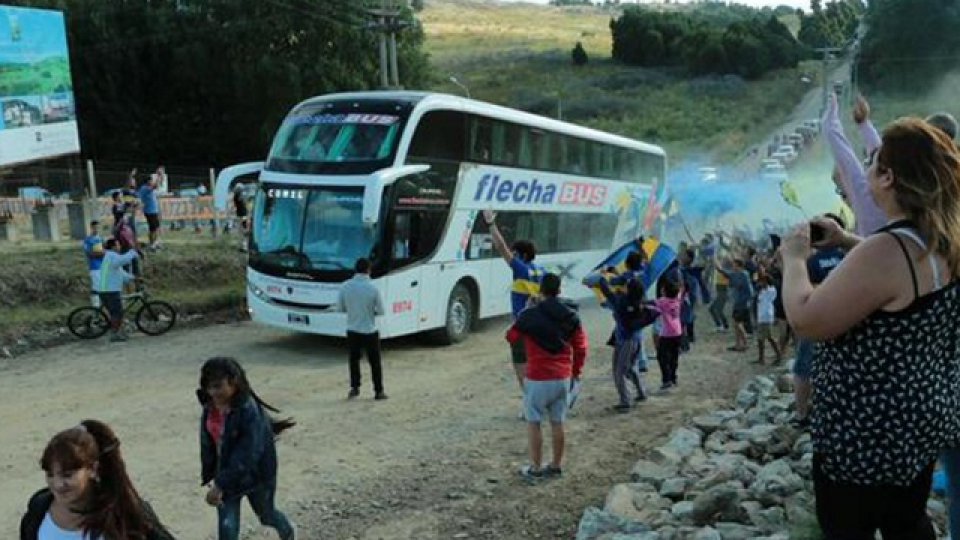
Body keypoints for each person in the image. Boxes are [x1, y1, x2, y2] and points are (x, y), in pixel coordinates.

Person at [782, 117, 960, 539]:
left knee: (850, 526)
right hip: (916, 420)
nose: (864, 171)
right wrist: (846, 240)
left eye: (871, 161)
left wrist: (793, 260)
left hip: (866, 431)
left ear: (888, 176)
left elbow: (808, 319)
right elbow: (905, 281)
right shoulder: (938, 236)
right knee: (906, 520)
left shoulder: (888, 247)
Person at [20, 419, 175, 539]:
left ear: (93, 469)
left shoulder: (124, 513)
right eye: (50, 475)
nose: (58, 484)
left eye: (68, 475)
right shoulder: (38, 511)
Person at [197, 357, 297, 540]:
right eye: (209, 386)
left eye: (218, 386)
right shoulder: (209, 406)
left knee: (267, 515)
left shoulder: (248, 411)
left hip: (256, 476)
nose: (212, 392)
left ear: (233, 382)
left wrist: (220, 484)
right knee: (227, 531)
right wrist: (213, 475)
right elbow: (210, 445)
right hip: (227, 475)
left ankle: (288, 533)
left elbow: (248, 454)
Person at [506, 273, 588, 479]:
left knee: (534, 422)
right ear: (559, 291)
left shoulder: (529, 315)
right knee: (557, 422)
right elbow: (581, 348)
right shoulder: (571, 316)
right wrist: (575, 373)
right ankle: (556, 465)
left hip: (537, 377)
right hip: (562, 377)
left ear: (540, 290)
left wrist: (526, 310)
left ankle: (535, 467)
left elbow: (511, 336)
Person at [483, 209, 545, 414]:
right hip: (539, 327)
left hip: (523, 326)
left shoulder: (521, 269)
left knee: (521, 368)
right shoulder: (541, 271)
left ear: (523, 255)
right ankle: (539, 402)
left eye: (515, 253)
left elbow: (500, 247)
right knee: (536, 367)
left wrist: (491, 224)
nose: (512, 256)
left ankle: (530, 407)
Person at [597, 271, 656, 412]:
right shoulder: (637, 303)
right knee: (628, 368)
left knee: (619, 371)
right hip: (633, 340)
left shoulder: (624, 302)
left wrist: (602, 282)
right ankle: (640, 392)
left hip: (625, 341)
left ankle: (625, 401)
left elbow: (610, 295)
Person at [333, 258, 387, 400]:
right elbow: (381, 311)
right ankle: (378, 391)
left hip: (352, 329)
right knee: (375, 362)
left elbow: (340, 308)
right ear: (369, 270)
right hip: (369, 329)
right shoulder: (373, 288)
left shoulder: (345, 286)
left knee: (354, 360)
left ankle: (355, 387)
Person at [98, 238, 140, 342]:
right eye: (118, 245)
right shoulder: (112, 256)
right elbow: (123, 260)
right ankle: (115, 335)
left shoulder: (109, 257)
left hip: (105, 290)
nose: (119, 247)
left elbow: (122, 274)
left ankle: (117, 331)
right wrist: (132, 252)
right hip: (110, 291)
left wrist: (134, 278)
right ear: (113, 247)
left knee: (115, 313)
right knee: (117, 313)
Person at [653, 276, 683, 391]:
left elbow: (649, 303)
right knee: (674, 356)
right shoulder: (677, 299)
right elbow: (680, 289)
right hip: (678, 332)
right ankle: (673, 378)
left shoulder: (663, 302)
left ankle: (666, 380)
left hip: (667, 334)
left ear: (664, 291)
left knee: (662, 357)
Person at [717, 258, 752, 352]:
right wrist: (717, 264)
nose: (733, 266)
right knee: (736, 324)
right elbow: (725, 273)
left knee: (738, 324)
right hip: (738, 302)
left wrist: (747, 301)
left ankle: (744, 344)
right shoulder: (737, 274)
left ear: (738, 265)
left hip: (742, 303)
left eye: (734, 265)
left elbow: (749, 290)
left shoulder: (744, 275)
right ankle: (738, 344)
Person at [754, 273, 781, 365]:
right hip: (761, 316)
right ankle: (761, 358)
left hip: (767, 316)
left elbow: (770, 297)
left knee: (769, 337)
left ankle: (778, 356)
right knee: (760, 338)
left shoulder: (771, 290)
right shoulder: (761, 291)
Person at [82, 221, 104, 308]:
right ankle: (95, 307)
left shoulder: (102, 239)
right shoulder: (88, 240)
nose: (96, 229)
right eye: (94, 227)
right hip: (95, 267)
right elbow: (89, 254)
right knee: (96, 287)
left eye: (98, 227)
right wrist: (100, 253)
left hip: (103, 266)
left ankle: (103, 305)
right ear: (91, 228)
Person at [138, 174, 161, 250]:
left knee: (156, 227)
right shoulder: (144, 188)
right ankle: (152, 243)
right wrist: (159, 176)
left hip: (154, 210)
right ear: (147, 181)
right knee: (152, 228)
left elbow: (156, 186)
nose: (152, 181)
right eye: (151, 180)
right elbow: (154, 186)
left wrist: (159, 177)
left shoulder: (147, 188)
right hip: (150, 211)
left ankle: (156, 242)